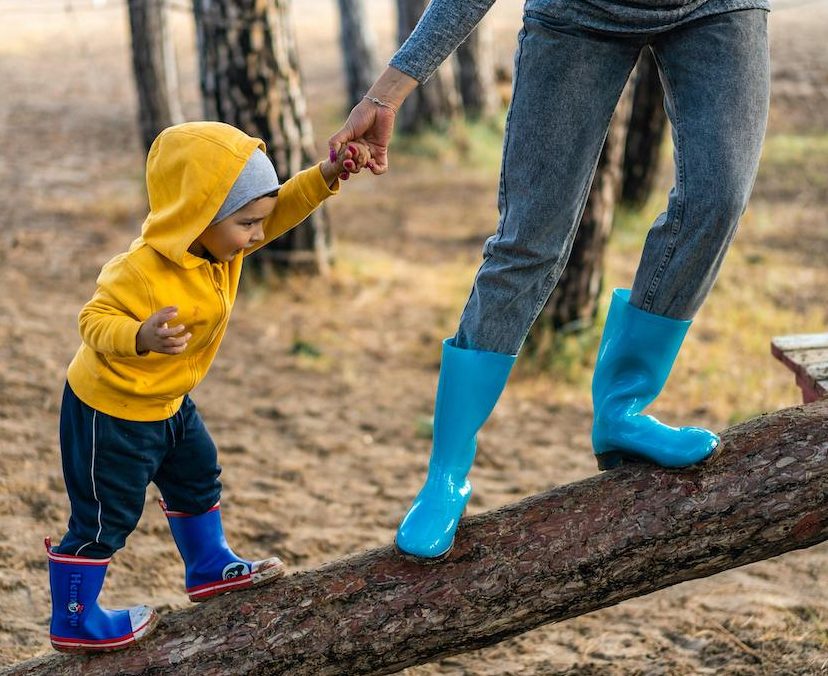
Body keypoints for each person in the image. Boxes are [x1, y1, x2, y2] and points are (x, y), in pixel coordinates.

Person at [329, 0, 770, 561]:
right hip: (577, 15)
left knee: (716, 202)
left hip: (715, 10)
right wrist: (386, 93)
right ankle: (446, 476)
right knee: (528, 243)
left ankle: (622, 411)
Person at [46, 121, 370, 653]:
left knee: (198, 475)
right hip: (113, 411)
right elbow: (92, 319)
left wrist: (327, 174)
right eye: (247, 223)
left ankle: (209, 566)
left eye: (257, 222)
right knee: (107, 516)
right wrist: (139, 335)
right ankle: (75, 618)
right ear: (198, 216)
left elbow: (280, 209)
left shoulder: (223, 246)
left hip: (170, 402)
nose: (258, 235)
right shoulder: (141, 271)